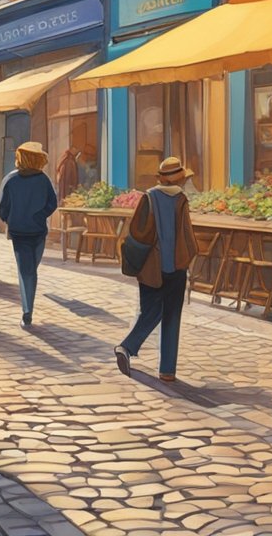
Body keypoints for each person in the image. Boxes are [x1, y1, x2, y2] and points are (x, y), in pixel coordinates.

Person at [115, 157, 197, 383]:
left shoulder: (148, 197)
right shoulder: (181, 200)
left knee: (149, 311)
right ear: (179, 179)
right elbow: (187, 236)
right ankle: (167, 370)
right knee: (172, 316)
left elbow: (138, 232)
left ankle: (127, 347)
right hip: (176, 267)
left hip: (151, 267)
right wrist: (189, 258)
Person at [0, 141, 59, 328]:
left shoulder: (11, 180)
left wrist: (13, 219)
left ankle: (27, 311)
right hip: (38, 231)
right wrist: (39, 215)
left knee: (26, 272)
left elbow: (2, 208)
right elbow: (52, 203)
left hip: (19, 233)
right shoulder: (43, 179)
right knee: (31, 270)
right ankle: (27, 311)